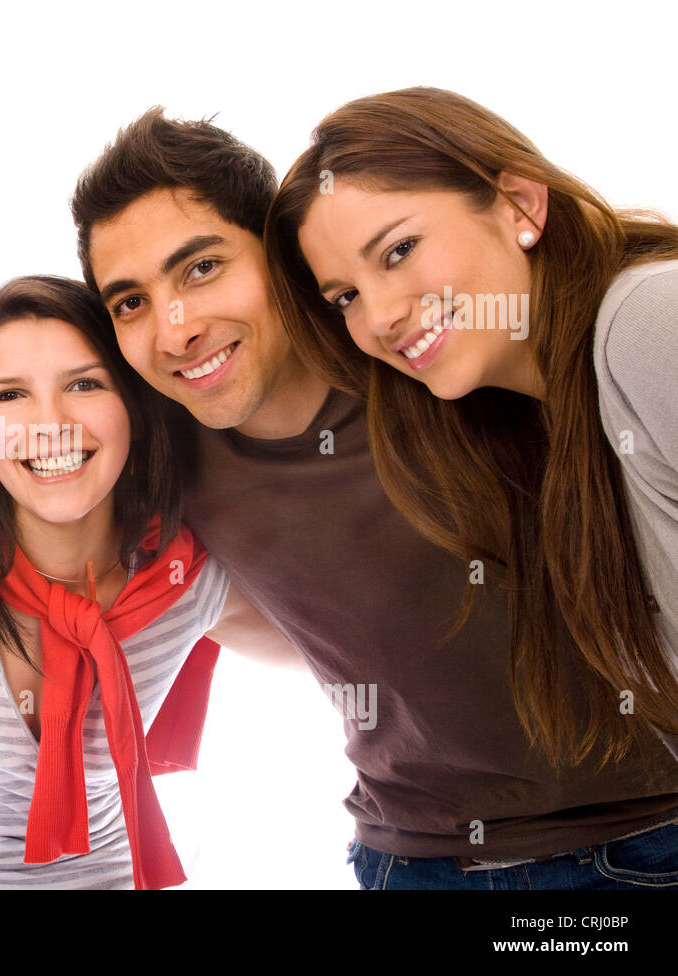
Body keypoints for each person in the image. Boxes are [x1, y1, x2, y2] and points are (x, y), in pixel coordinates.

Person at [70, 108, 678, 889]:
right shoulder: (159, 450)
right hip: (412, 857)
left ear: (282, 260)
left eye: (201, 269)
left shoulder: (443, 362)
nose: (176, 329)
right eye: (131, 302)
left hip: (643, 838)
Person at [0, 275, 278, 889]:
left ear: (135, 414)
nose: (50, 423)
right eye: (10, 395)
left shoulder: (188, 577)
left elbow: (363, 667)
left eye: (84, 384)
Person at [265, 86, 678, 763]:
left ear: (520, 203)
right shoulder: (546, 428)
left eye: (398, 251)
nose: (380, 318)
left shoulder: (645, 327)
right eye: (346, 297)